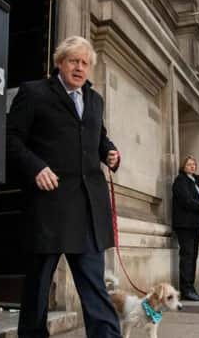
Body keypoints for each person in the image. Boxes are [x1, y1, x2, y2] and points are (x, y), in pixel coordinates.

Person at [7, 36, 122, 338]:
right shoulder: (34, 93)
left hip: (87, 210)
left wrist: (110, 152)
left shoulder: (95, 100)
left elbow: (99, 138)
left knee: (95, 287)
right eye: (73, 61)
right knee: (38, 287)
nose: (79, 67)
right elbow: (10, 139)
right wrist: (36, 167)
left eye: (85, 63)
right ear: (60, 62)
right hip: (49, 207)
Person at [171, 156, 199, 301]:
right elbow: (187, 201)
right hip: (185, 224)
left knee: (193, 257)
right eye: (189, 164)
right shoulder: (180, 181)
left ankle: (191, 288)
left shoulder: (195, 181)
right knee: (188, 257)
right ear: (183, 166)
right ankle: (186, 290)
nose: (192, 166)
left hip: (195, 224)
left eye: (194, 164)